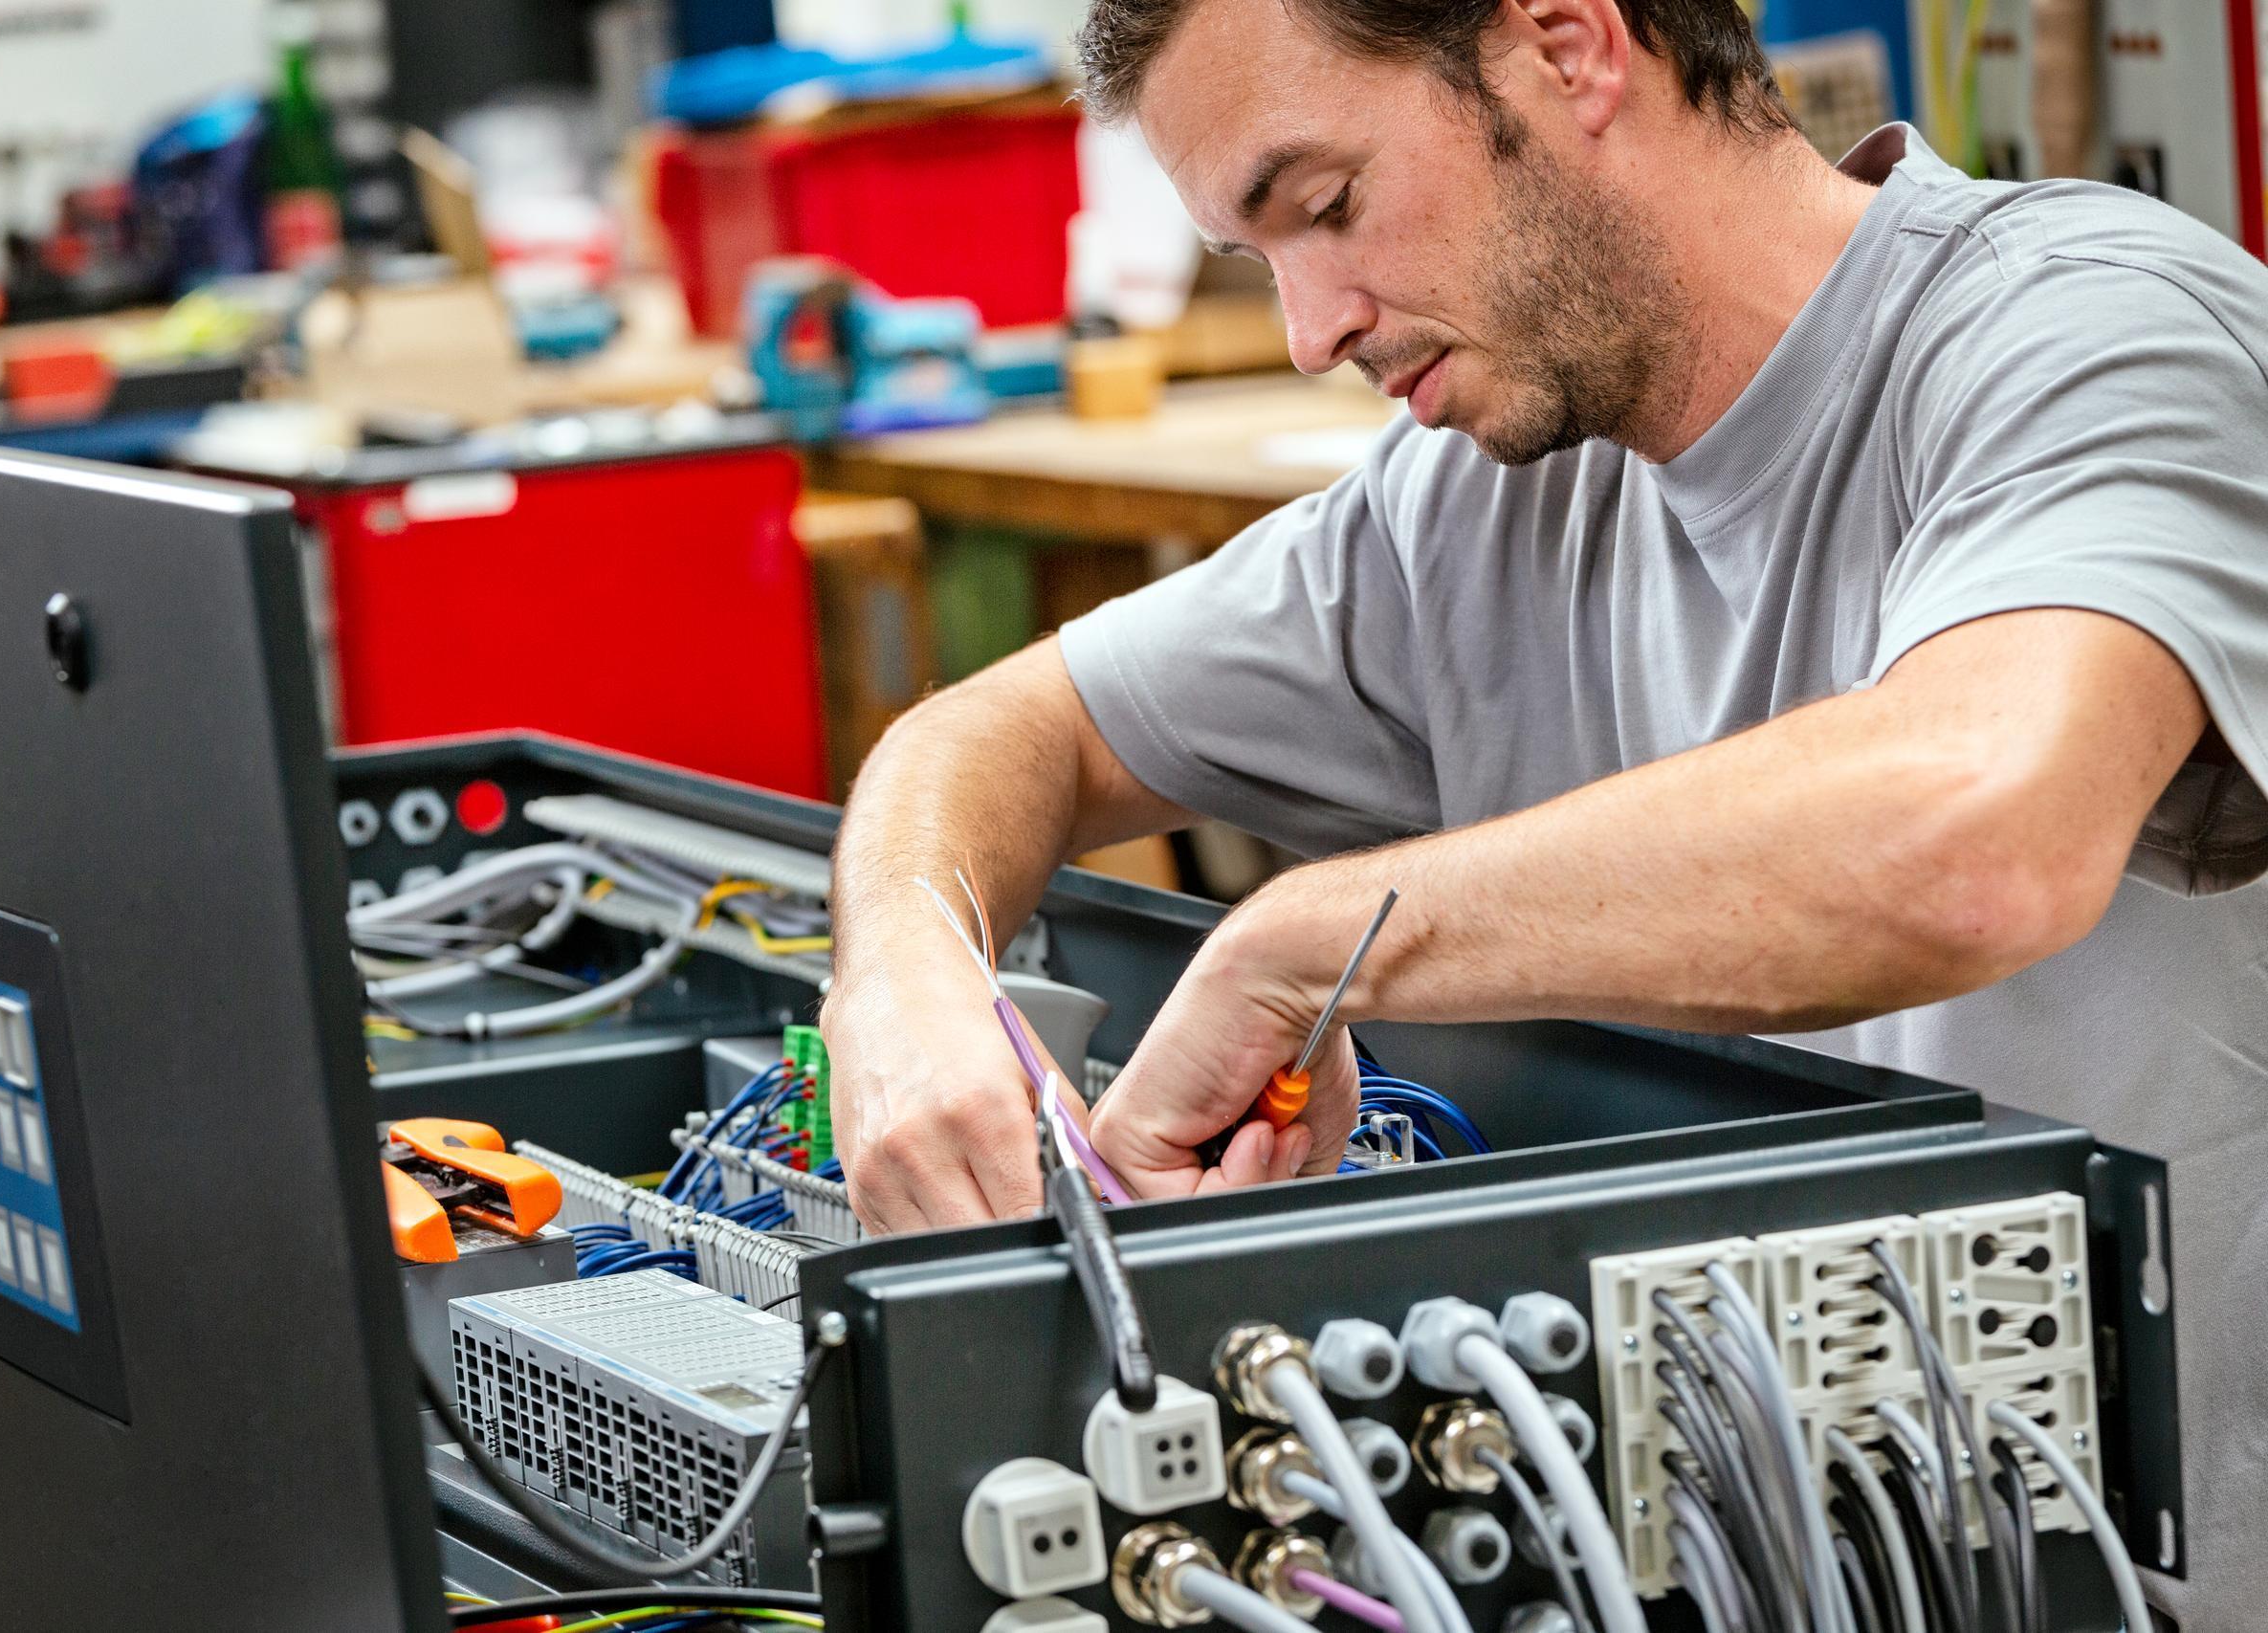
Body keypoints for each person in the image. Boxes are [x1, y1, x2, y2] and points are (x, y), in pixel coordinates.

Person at [820, 0, 2268, 1622]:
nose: (1309, 328)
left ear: (1571, 47)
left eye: (1326, 205)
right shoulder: (1477, 503)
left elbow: (1975, 836)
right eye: (1256, 256)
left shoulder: (2097, 334)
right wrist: (900, 977)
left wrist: (1313, 941)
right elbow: (1010, 726)